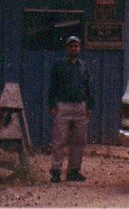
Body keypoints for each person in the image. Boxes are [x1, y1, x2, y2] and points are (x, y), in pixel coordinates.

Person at [47, 33, 94, 183]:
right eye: (72, 45)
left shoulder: (83, 66)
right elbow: (52, 86)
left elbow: (88, 87)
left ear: (79, 48)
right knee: (59, 140)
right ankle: (56, 171)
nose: (74, 48)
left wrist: (90, 105)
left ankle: (74, 171)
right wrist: (52, 105)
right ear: (67, 48)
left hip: (80, 108)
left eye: (77, 45)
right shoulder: (59, 65)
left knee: (79, 141)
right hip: (63, 106)